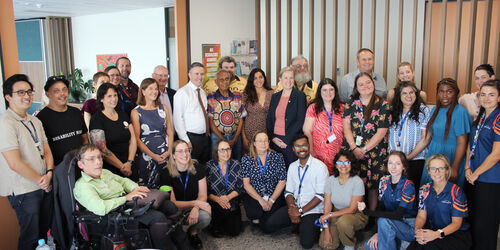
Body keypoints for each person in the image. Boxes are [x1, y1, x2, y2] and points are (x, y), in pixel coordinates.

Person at [73, 144, 182, 250]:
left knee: (169, 206)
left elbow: (123, 181)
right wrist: (126, 198)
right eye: (91, 159)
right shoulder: (83, 186)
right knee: (157, 217)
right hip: (114, 216)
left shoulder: (104, 172)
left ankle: (181, 242)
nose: (98, 162)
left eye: (99, 157)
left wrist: (136, 188)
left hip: (127, 203)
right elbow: (101, 208)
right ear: (81, 164)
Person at [0, 74, 54, 250]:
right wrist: (42, 179)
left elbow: (46, 150)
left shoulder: (34, 120)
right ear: (8, 97)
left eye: (29, 92)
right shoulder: (5, 123)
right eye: (21, 92)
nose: (27, 96)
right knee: (30, 237)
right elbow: (14, 163)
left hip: (43, 184)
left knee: (43, 235)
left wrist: (49, 173)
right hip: (24, 189)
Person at [342, 72, 391, 210]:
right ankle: (354, 212)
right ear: (356, 88)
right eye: (361, 84)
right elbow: (346, 128)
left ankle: (371, 215)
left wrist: (363, 150)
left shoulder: (383, 105)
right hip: (352, 150)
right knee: (354, 183)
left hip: (375, 152)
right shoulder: (351, 103)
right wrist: (354, 148)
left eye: (368, 82)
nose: (365, 86)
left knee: (373, 186)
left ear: (373, 84)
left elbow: (381, 132)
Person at [407, 154, 471, 250]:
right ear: (428, 171)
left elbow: (457, 224)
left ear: (446, 170)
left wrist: (437, 234)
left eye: (441, 168)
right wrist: (418, 231)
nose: (437, 172)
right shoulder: (424, 190)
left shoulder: (456, 192)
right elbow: (421, 216)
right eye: (433, 168)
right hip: (433, 231)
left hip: (455, 234)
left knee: (430, 246)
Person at [464, 79, 500, 250]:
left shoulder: (498, 119)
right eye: (483, 94)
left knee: (485, 225)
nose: (486, 98)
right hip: (473, 177)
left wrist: (476, 172)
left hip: (490, 179)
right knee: (473, 222)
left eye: (491, 95)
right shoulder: (482, 116)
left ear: (499, 97)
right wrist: (467, 168)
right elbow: (471, 143)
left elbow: (497, 154)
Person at [278, 134, 329, 249]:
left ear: (309, 146)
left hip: (313, 210)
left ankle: (308, 226)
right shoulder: (292, 166)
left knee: (306, 244)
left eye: (304, 145)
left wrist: (299, 211)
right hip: (295, 206)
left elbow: (320, 196)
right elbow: (288, 192)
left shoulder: (320, 167)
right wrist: (292, 208)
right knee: (269, 226)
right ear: (293, 149)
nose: (301, 149)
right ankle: (299, 223)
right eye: (297, 146)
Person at [360, 151, 418, 250]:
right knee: (369, 246)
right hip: (389, 223)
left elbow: (397, 215)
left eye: (398, 163)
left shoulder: (408, 186)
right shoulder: (384, 181)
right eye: (390, 163)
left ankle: (402, 244)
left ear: (404, 166)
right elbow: (381, 207)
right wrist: (378, 233)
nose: (393, 167)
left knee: (383, 222)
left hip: (408, 226)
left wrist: (367, 212)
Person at [160, 140, 211, 249]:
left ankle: (192, 231)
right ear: (173, 155)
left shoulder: (198, 167)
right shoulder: (166, 173)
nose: (184, 154)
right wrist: (196, 203)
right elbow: (172, 203)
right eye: (180, 151)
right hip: (175, 210)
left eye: (187, 150)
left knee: (206, 216)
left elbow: (203, 195)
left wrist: (196, 208)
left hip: (191, 208)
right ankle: (180, 231)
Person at [421, 78, 471, 187]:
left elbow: (462, 142)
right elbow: (428, 137)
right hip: (434, 153)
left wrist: (455, 167)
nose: (445, 95)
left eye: (449, 92)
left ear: (455, 93)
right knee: (428, 190)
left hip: (452, 156)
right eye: (441, 91)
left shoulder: (460, 112)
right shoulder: (435, 109)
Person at [318, 150, 368, 250]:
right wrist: (327, 231)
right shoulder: (330, 180)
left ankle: (349, 243)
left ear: (352, 164)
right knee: (326, 245)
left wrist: (330, 215)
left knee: (344, 223)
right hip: (337, 212)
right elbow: (327, 206)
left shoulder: (357, 182)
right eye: (340, 162)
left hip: (356, 214)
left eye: (347, 162)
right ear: (336, 165)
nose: (343, 165)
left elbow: (352, 209)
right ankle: (342, 233)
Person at [241, 131, 287, 233]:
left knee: (267, 227)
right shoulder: (247, 158)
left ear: (269, 142)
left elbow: (282, 181)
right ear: (254, 143)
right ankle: (257, 217)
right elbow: (246, 184)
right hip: (254, 195)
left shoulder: (277, 157)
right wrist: (260, 200)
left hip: (272, 195)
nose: (263, 143)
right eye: (260, 141)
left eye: (265, 140)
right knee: (255, 213)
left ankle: (263, 219)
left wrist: (271, 200)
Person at [130, 78, 174, 186]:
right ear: (143, 91)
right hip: (147, 156)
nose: (154, 91)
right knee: (149, 188)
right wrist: (153, 156)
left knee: (168, 185)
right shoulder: (136, 112)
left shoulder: (164, 108)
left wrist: (169, 151)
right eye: (150, 89)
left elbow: (169, 130)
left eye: (156, 89)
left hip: (165, 154)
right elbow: (137, 139)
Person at [37, 75, 88, 166]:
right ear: (48, 94)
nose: (62, 94)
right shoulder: (41, 118)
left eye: (64, 89)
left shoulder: (76, 112)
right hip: (59, 170)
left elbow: (84, 139)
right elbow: (43, 150)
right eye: (56, 91)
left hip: (82, 166)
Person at [89, 83, 137, 178]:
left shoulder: (123, 115)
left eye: (115, 95)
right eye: (109, 96)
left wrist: (129, 162)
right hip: (111, 169)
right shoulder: (97, 119)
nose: (114, 99)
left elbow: (133, 139)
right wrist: (122, 167)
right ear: (101, 99)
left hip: (130, 164)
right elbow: (102, 149)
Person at [389, 81, 431, 189]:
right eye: (405, 93)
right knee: (395, 190)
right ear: (399, 95)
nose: (409, 96)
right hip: (395, 160)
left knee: (411, 191)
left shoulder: (424, 110)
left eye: (411, 92)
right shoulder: (393, 110)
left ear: (416, 94)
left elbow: (425, 138)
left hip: (415, 160)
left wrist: (408, 157)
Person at [267, 66, 307, 167]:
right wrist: (272, 137)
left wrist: (287, 140)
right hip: (275, 141)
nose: (288, 81)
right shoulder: (275, 96)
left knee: (290, 171)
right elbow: (269, 119)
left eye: (291, 78)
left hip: (290, 141)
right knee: (275, 171)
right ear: (280, 79)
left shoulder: (300, 96)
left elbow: (300, 121)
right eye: (285, 78)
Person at [303, 78, 344, 174]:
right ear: (320, 92)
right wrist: (311, 151)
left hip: (339, 154)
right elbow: (307, 131)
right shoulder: (313, 108)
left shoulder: (343, 108)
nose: (328, 93)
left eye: (331, 89)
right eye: (324, 90)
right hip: (318, 155)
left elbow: (347, 131)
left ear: (335, 91)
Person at [174, 62, 211, 164]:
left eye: (202, 74)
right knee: (192, 169)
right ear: (189, 75)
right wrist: (186, 141)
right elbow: (178, 119)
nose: (200, 77)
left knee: (203, 168)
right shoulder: (182, 93)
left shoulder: (202, 93)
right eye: (196, 74)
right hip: (191, 139)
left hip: (204, 138)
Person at [206, 139, 242, 237]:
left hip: (231, 200)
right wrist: (218, 200)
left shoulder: (236, 164)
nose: (225, 153)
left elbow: (240, 187)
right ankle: (214, 225)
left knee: (234, 231)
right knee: (219, 228)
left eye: (228, 149)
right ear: (216, 152)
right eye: (222, 150)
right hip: (215, 201)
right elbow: (206, 191)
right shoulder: (209, 166)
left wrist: (227, 198)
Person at [207, 70, 247, 160]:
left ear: (230, 81)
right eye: (221, 80)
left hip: (235, 136)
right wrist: (223, 139)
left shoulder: (237, 96)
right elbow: (211, 121)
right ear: (216, 82)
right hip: (217, 136)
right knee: (217, 161)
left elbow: (241, 119)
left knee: (237, 161)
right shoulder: (211, 97)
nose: (224, 82)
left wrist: (236, 138)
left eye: (227, 79)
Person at [241, 68, 274, 151]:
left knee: (266, 156)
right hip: (250, 131)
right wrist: (244, 137)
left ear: (264, 78)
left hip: (267, 131)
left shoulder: (272, 93)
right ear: (251, 80)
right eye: (255, 78)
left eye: (260, 77)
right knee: (252, 158)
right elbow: (240, 118)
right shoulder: (246, 94)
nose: (258, 80)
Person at [152, 65, 176, 133]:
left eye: (166, 75)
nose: (163, 78)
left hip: (175, 136)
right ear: (153, 76)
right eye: (160, 75)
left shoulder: (174, 94)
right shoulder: (150, 95)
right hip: (158, 137)